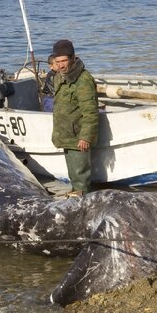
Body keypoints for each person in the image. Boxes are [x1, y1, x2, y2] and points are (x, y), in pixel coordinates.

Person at [48, 39, 98, 197]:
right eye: (58, 61)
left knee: (81, 179)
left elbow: (90, 111)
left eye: (64, 61)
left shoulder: (83, 80)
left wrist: (85, 137)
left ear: (72, 58)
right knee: (74, 176)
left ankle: (82, 204)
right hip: (66, 135)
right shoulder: (59, 77)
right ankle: (76, 196)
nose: (61, 65)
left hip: (78, 138)